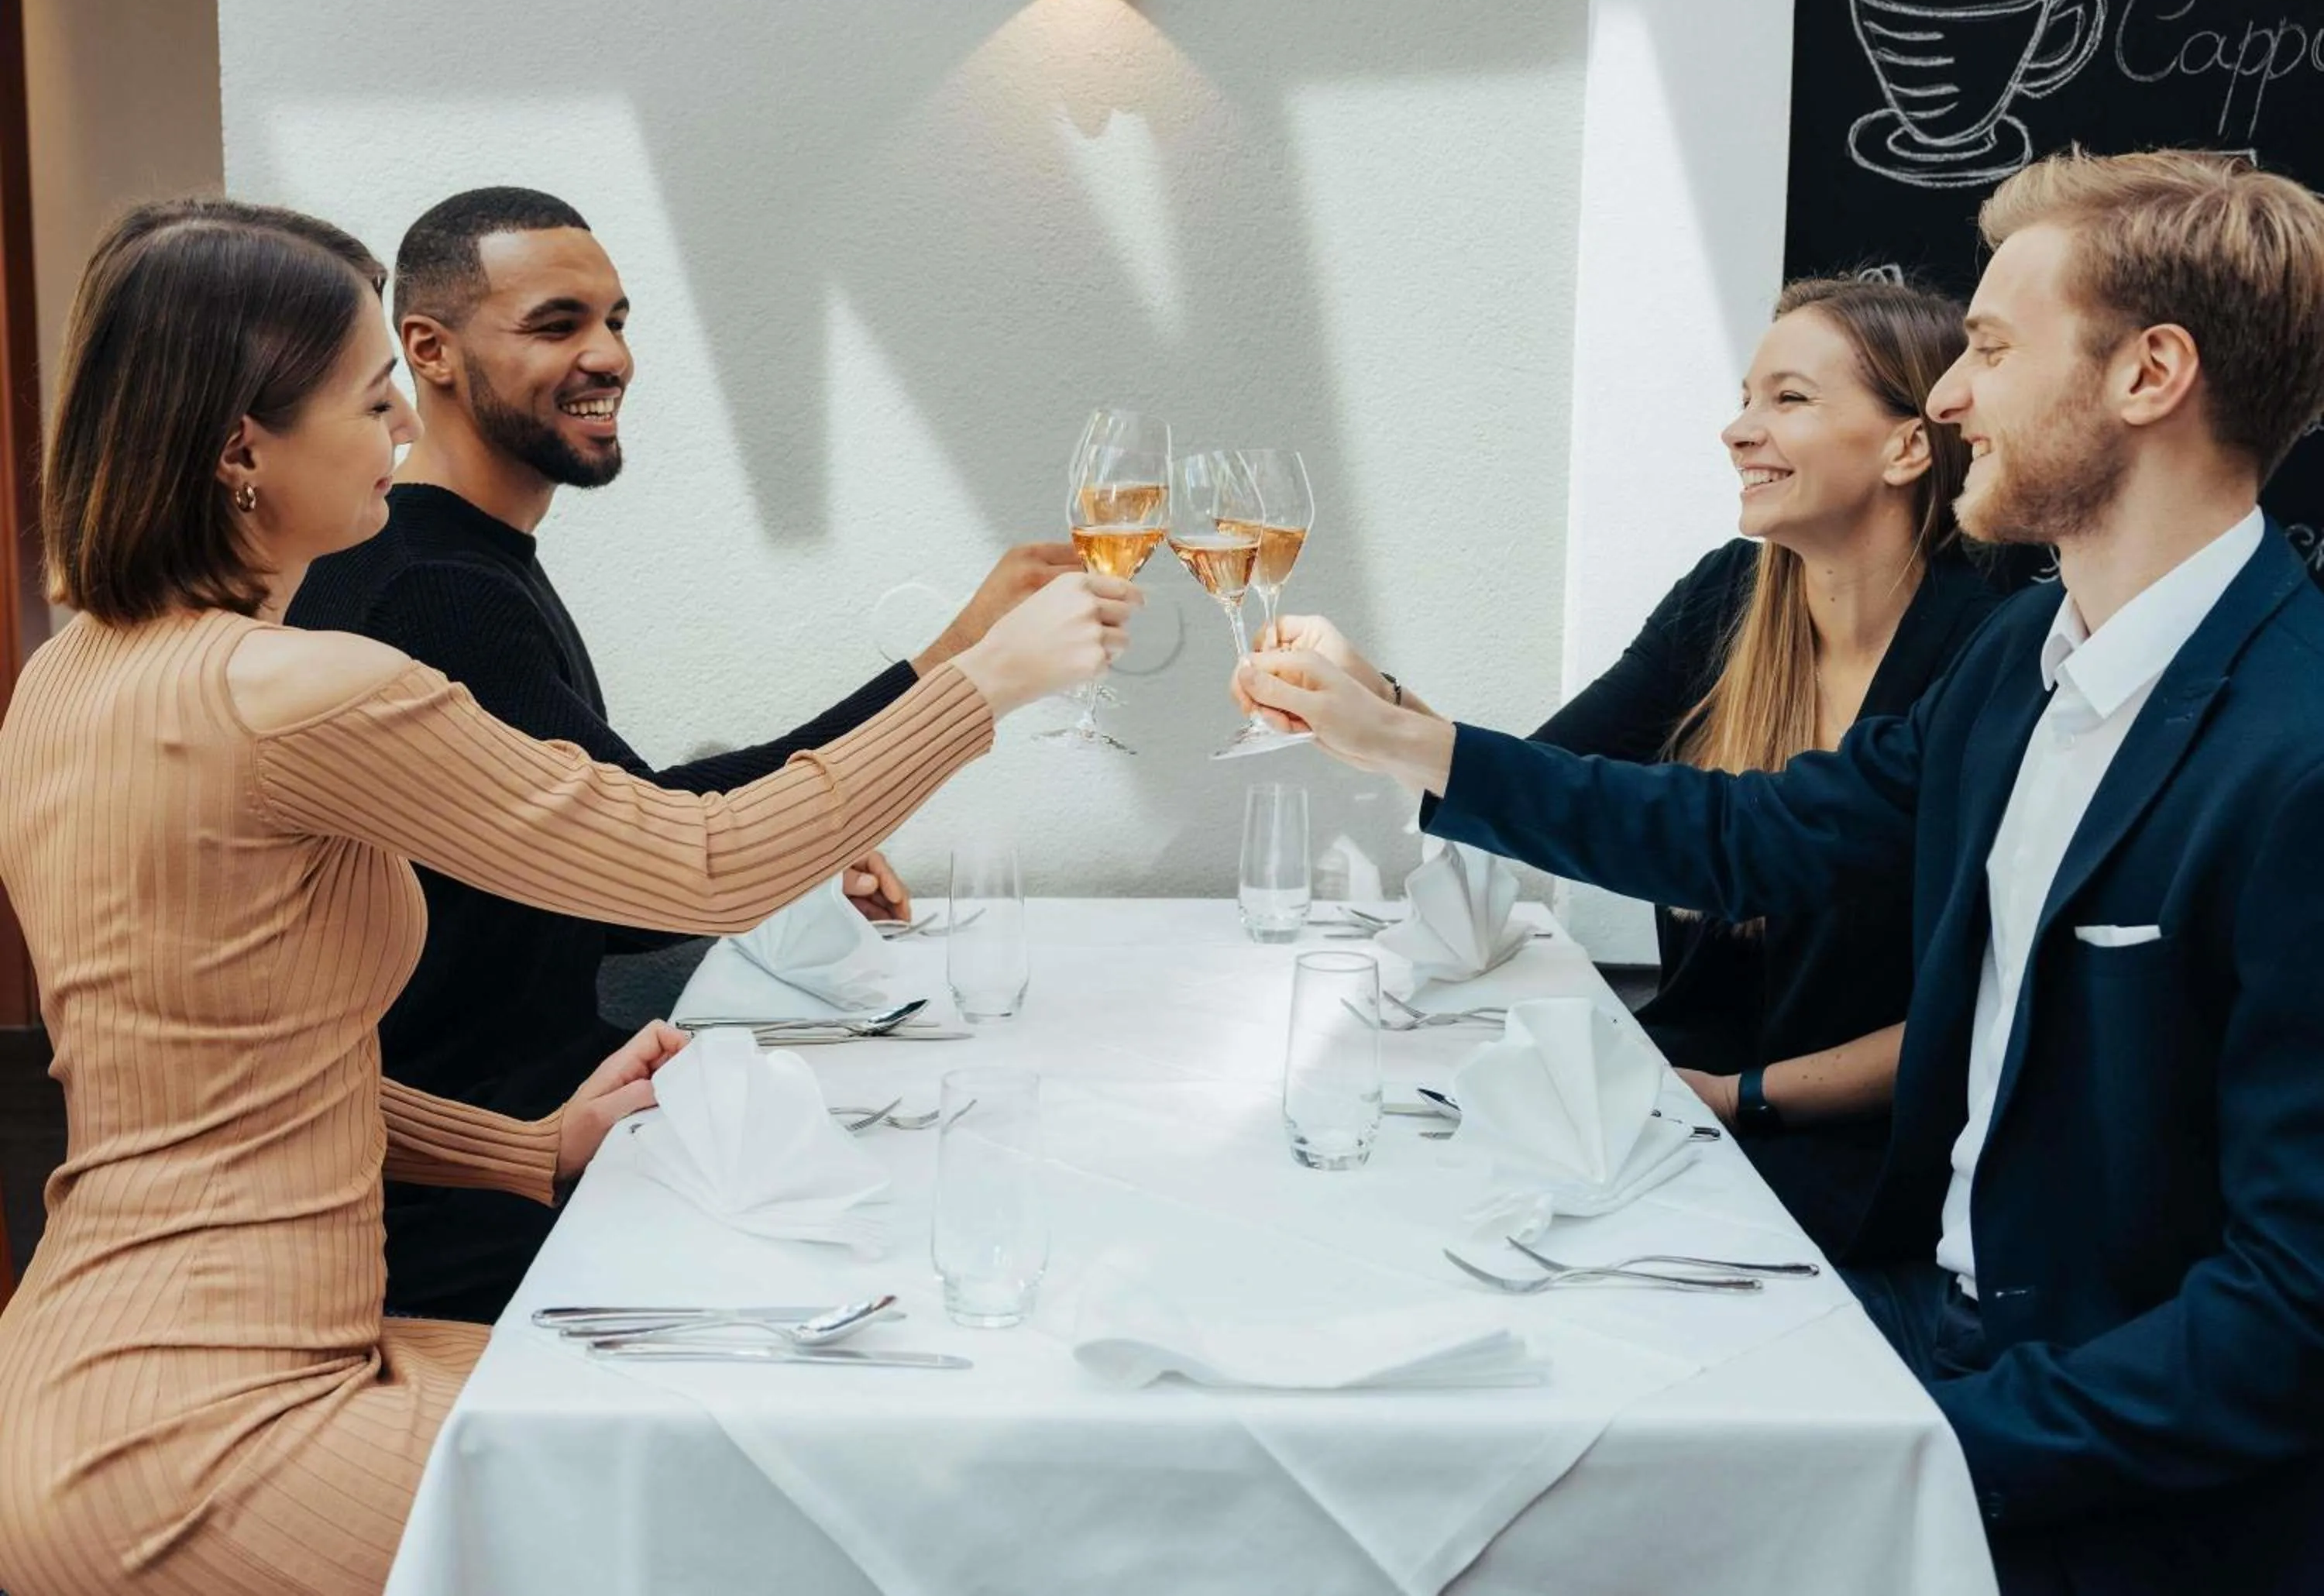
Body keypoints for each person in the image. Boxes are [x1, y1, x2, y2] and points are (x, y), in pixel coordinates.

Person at [0, 197, 1134, 1596]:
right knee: (832, 1497)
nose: (404, 433)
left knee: (784, 1422)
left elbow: (223, 1062)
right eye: (371, 404)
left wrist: (529, 1151)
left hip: (82, 1373)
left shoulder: (68, 677)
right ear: (244, 449)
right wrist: (988, 680)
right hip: (218, 1428)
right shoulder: (300, 694)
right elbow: (700, 864)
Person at [1236, 150, 2324, 1594]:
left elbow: (2289, 1321)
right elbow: (1749, 835)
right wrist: (1409, 742)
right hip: (1914, 1319)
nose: (1950, 397)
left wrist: (1918, 1444)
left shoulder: (2297, 754)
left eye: (1991, 350)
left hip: (2090, 1462)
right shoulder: (2024, 662)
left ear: (2152, 374)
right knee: (1455, 1401)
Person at [288, 186, 1079, 1322]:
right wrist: (966, 674)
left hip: (555, 1119)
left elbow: (623, 817)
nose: (609, 354)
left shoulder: (466, 561)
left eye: (617, 319)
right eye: (558, 324)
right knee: (966, 1244)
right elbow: (643, 877)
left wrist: (937, 670)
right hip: (477, 1196)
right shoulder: (436, 590)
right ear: (431, 352)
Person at [1267, 274, 2002, 1252]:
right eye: (1745, 397)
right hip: (1672, 1106)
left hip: (1853, 1163)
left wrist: (1741, 1099)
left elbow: (1986, 1010)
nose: (1738, 430)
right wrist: (1375, 697)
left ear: (1910, 443)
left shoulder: (1987, 652)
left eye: (1788, 398)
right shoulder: (1728, 597)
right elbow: (1548, 785)